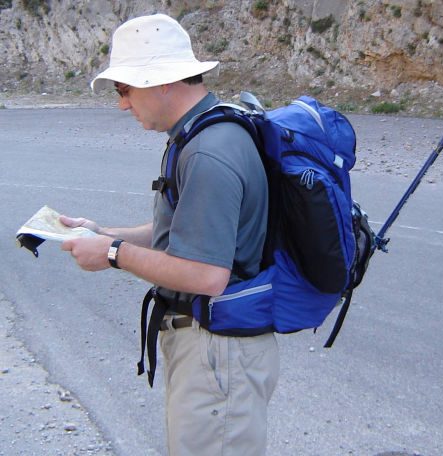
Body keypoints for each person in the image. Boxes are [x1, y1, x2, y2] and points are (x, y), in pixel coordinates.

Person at [60, 13, 279, 456]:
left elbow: (206, 274)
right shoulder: (204, 133)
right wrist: (103, 233)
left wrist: (113, 253)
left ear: (160, 81)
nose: (122, 104)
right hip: (212, 350)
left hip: (217, 353)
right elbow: (188, 233)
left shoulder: (208, 151)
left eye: (123, 89)